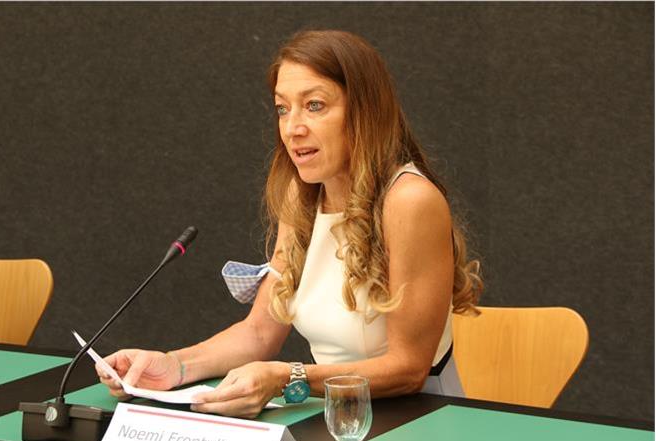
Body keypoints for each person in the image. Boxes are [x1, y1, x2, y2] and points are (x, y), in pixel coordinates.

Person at [96, 30, 482, 418]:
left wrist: (287, 377)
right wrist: (173, 366)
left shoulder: (410, 200)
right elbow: (259, 333)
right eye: (283, 109)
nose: (293, 128)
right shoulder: (302, 197)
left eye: (314, 106)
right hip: (338, 414)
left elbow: (409, 369)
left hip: (421, 417)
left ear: (366, 111)